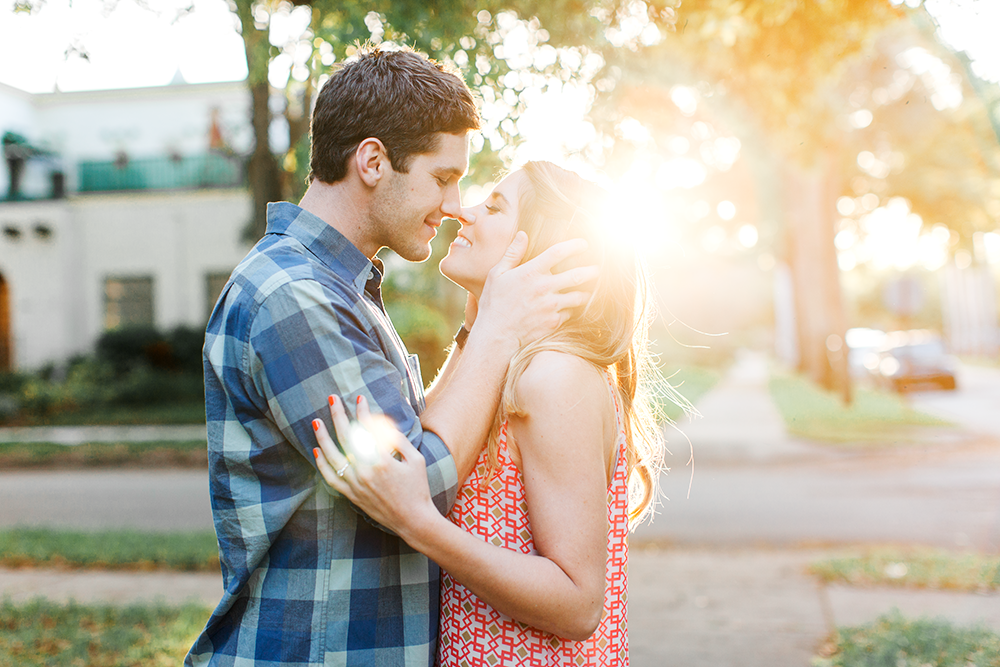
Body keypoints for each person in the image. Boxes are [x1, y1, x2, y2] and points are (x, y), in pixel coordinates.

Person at [185, 50, 597, 667]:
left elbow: (411, 435)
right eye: (441, 177)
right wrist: (498, 332)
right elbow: (419, 485)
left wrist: (475, 332)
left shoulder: (341, 289)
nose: (455, 204)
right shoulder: (293, 298)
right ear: (373, 161)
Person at [314, 161, 676, 666]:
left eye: (495, 206)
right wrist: (477, 329)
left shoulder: (554, 377)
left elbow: (578, 603)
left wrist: (420, 525)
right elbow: (427, 452)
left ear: (539, 250)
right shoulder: (501, 362)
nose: (463, 212)